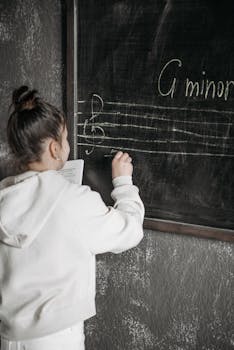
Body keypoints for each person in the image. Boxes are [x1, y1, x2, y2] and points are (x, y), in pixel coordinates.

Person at [0, 86, 144, 350]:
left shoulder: (4, 197)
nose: (68, 144)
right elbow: (129, 231)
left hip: (9, 338)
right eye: (66, 138)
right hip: (57, 339)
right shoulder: (74, 202)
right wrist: (123, 183)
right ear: (55, 149)